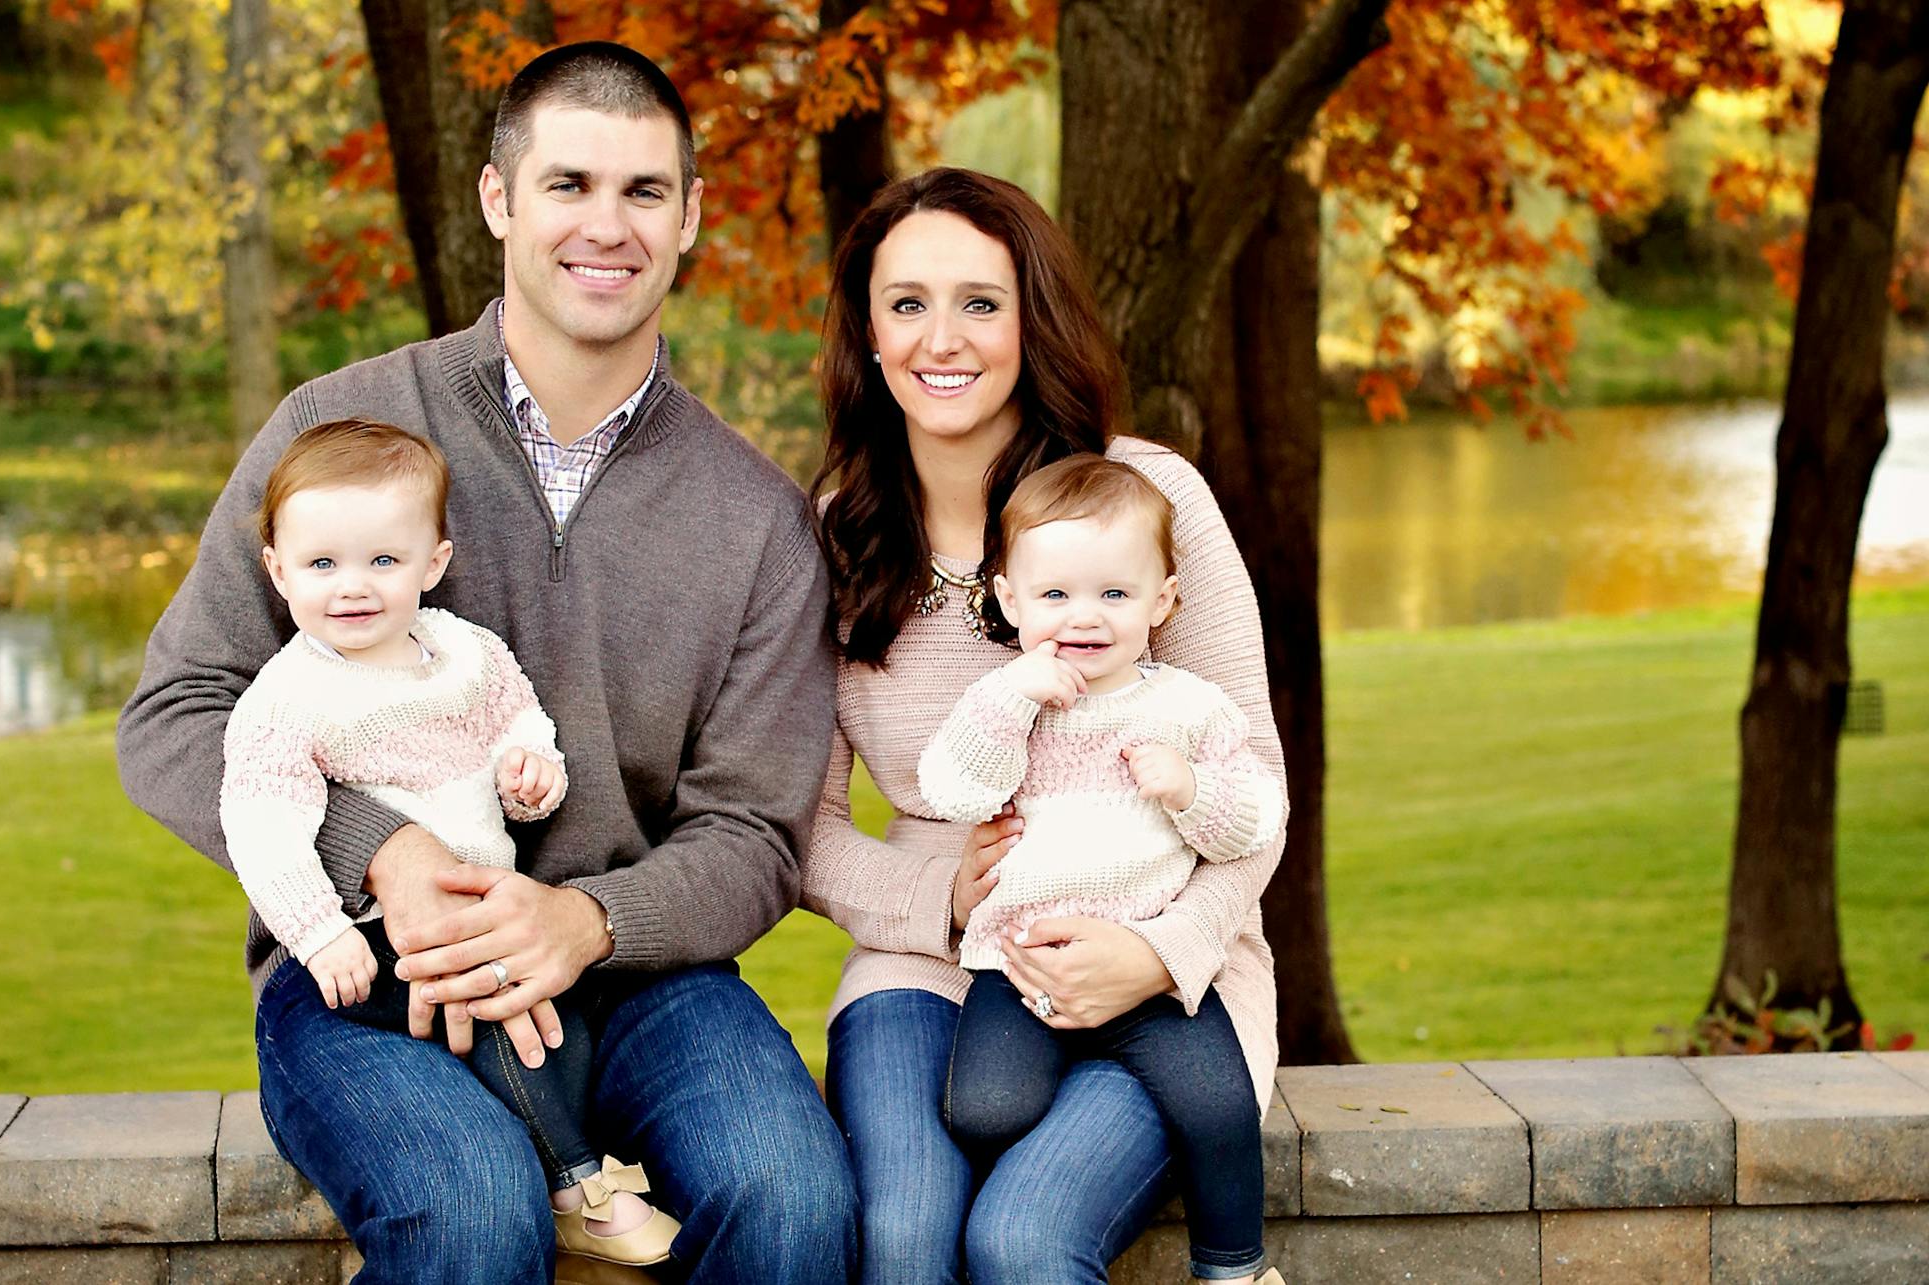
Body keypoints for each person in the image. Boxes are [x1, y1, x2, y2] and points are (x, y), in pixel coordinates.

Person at [118, 41, 854, 1284]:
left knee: (793, 1199)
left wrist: (587, 920)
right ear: (499, 198)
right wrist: (382, 852)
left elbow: (756, 833)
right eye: (569, 184)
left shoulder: (757, 521)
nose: (606, 226)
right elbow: (178, 713)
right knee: (470, 1210)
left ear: (689, 218)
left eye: (644, 191)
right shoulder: (337, 431)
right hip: (376, 970)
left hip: (640, 978)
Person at [801, 165, 1288, 1284]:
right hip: (930, 963)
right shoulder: (836, 535)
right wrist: (940, 895)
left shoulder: (1145, 498)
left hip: (1158, 957)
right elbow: (801, 826)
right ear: (868, 331)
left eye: (981, 301)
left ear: (1033, 319)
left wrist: (1157, 952)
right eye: (907, 303)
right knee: (905, 1237)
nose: (943, 338)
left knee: (1022, 1240)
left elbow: (1254, 787)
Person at [218, 418, 677, 1266]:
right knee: (505, 1016)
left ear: (433, 563)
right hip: (365, 939)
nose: (353, 587)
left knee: (548, 1012)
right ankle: (580, 1185)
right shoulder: (288, 698)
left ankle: (569, 1173)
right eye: (322, 565)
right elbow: (261, 825)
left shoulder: (465, 652)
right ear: (278, 570)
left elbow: (519, 720)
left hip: (484, 908)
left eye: (382, 560)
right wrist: (317, 930)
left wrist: (529, 771)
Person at [917, 455, 1284, 1282]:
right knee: (982, 1110)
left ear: (1163, 600)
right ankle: (1070, 1082)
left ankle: (1235, 1267)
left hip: (1149, 968)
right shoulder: (1004, 701)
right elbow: (952, 789)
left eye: (1115, 593)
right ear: (1010, 599)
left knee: (1219, 1104)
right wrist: (1012, 697)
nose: (1084, 616)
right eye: (1054, 594)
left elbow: (1258, 819)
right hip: (1022, 964)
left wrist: (1191, 791)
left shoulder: (1187, 707)